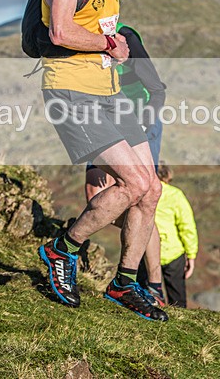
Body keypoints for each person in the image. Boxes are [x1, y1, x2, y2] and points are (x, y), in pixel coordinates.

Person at [35, 0, 168, 321]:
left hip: (109, 92)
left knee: (151, 189)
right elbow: (58, 31)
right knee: (130, 183)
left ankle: (124, 284)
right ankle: (62, 248)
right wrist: (111, 44)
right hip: (71, 90)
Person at [85, 21, 168, 306]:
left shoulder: (127, 36)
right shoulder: (80, 38)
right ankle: (128, 273)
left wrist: (142, 128)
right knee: (96, 195)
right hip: (105, 123)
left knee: (143, 196)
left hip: (142, 123)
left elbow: (157, 90)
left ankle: (153, 283)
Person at [146, 162, 198, 308]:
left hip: (146, 250)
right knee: (177, 299)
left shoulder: (145, 191)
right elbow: (187, 227)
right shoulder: (176, 195)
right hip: (173, 253)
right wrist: (191, 255)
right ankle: (180, 323)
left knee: (145, 293)